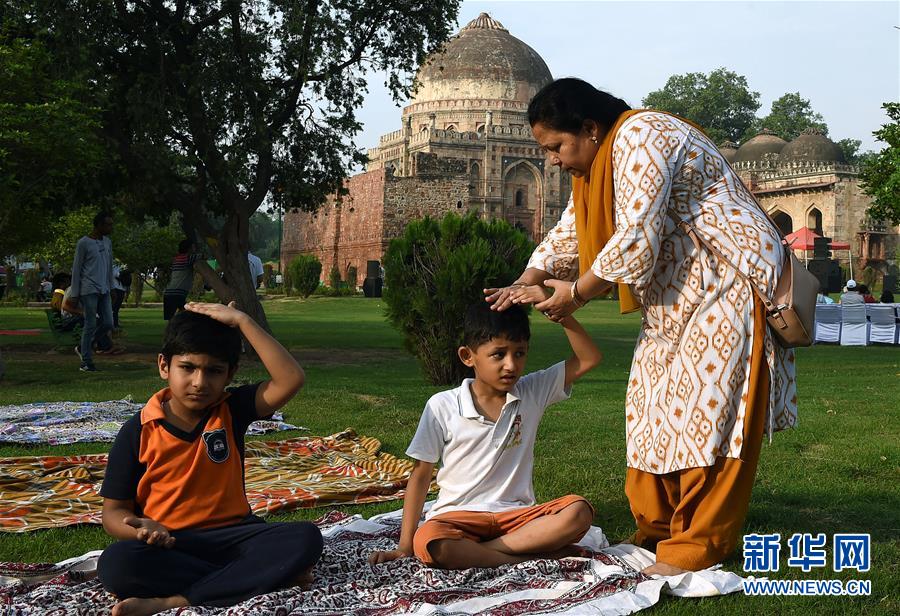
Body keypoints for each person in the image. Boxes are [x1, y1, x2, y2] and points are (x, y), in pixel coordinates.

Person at [485, 78, 797, 576]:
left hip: (729, 287)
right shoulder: (600, 164)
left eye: (556, 147)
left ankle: (696, 545)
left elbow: (638, 230)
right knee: (651, 412)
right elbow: (572, 227)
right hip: (674, 298)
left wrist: (577, 292)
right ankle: (656, 531)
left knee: (710, 415)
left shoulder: (642, 135)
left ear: (590, 128)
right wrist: (528, 279)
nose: (553, 161)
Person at [97, 303, 322, 615]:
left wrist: (242, 321)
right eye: (187, 368)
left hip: (236, 536)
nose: (200, 382)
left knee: (305, 538)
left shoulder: (231, 410)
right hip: (173, 543)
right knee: (117, 563)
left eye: (214, 371)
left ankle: (178, 600)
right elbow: (112, 513)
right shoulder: (138, 431)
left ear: (230, 374)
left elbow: (290, 378)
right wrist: (140, 529)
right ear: (164, 365)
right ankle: (258, 576)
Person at [369, 301, 601, 570]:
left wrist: (557, 310)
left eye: (520, 353)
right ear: (468, 356)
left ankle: (482, 553)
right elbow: (420, 475)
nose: (511, 365)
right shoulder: (442, 405)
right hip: (458, 518)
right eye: (498, 354)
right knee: (430, 542)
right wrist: (405, 546)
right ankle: (535, 556)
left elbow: (589, 357)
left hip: (516, 518)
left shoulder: (532, 391)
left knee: (578, 511)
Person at [70, 212, 116, 372]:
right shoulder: (83, 243)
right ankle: (86, 362)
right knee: (91, 323)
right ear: (99, 225)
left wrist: (112, 286)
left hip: (104, 288)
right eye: (108, 224)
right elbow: (76, 269)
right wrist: (74, 293)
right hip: (88, 289)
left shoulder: (107, 242)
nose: (111, 228)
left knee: (109, 322)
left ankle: (84, 346)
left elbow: (109, 266)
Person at [163, 239, 199, 320]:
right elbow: (204, 256)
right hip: (177, 293)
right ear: (189, 248)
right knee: (186, 316)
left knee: (172, 319)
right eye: (193, 247)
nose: (194, 250)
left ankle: (172, 332)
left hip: (169, 293)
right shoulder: (187, 258)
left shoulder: (176, 259)